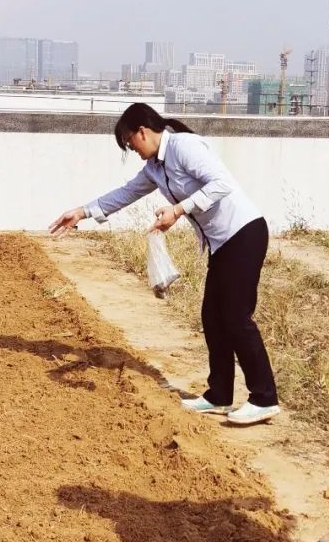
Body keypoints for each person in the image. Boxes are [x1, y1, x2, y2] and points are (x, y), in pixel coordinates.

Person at [49, 102, 280, 427]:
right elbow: (126, 193)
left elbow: (222, 183)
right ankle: (219, 394)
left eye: (132, 143)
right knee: (213, 318)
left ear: (142, 131)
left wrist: (178, 209)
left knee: (235, 316)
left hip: (244, 232)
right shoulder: (155, 168)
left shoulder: (184, 146)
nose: (135, 151)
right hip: (222, 241)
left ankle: (264, 397)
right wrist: (82, 212)